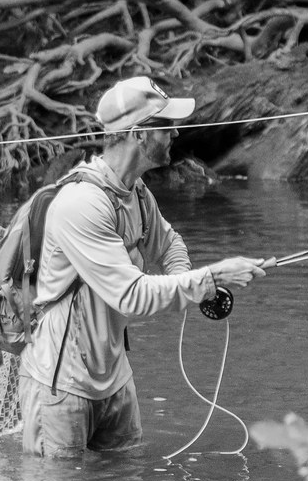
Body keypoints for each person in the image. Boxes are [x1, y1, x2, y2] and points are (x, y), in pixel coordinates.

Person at [18, 76, 268, 458]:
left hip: (115, 377)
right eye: (166, 125)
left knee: (124, 477)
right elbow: (132, 296)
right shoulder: (81, 203)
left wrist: (186, 280)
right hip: (60, 383)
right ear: (137, 134)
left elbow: (169, 243)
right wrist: (210, 278)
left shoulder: (135, 190)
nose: (176, 133)